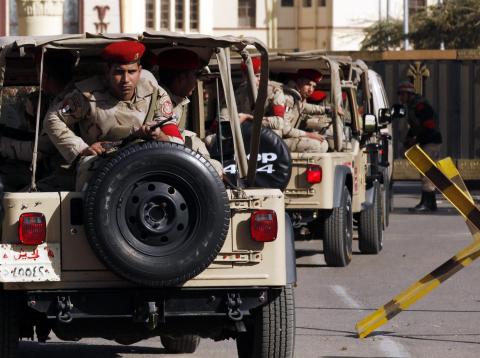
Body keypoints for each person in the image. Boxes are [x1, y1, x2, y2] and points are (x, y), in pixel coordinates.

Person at [44, 40, 183, 191]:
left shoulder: (155, 93)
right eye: (118, 72)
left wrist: (158, 136)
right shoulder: (85, 96)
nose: (125, 80)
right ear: (107, 71)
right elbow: (54, 119)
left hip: (145, 156)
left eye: (131, 72)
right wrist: (81, 149)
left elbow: (174, 137)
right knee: (87, 167)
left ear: (140, 70)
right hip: (101, 160)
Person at [0, 49, 77, 191]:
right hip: (59, 172)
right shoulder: (63, 97)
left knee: (8, 201)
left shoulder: (68, 103)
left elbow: (38, 151)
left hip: (66, 176)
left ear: (44, 76)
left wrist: (2, 146)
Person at [156, 48, 223, 176]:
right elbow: (174, 145)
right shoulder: (162, 99)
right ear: (181, 78)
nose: (197, 81)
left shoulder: (177, 100)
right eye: (196, 75)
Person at [397, 80, 442, 212]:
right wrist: (409, 138)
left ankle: (428, 203)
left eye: (402, 94)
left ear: (409, 94)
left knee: (427, 172)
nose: (400, 98)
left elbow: (429, 127)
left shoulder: (421, 106)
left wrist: (416, 140)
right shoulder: (413, 106)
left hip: (431, 141)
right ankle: (429, 203)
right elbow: (416, 126)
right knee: (425, 172)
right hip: (425, 141)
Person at [282, 69, 332, 153]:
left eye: (313, 86)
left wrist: (328, 109)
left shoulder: (298, 98)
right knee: (317, 145)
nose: (311, 90)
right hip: (277, 140)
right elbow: (285, 129)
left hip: (284, 138)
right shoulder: (288, 98)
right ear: (299, 82)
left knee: (323, 142)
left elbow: (305, 107)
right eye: (308, 84)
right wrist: (309, 135)